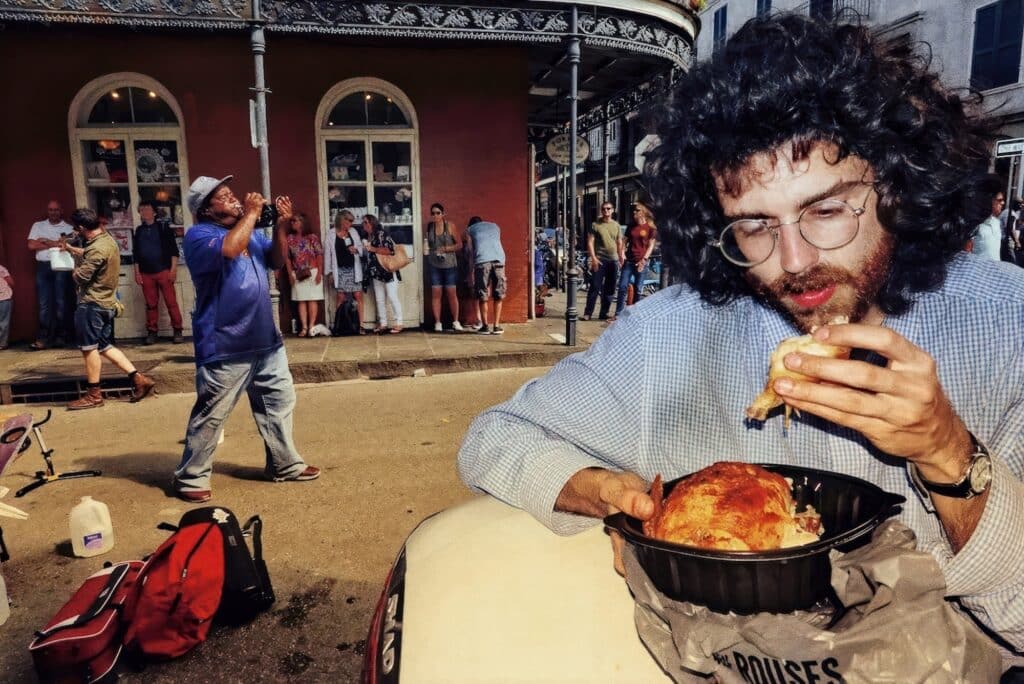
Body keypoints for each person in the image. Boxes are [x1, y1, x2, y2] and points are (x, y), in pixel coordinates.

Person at [458, 14, 1024, 657]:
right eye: (755, 225)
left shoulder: (1009, 329)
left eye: (828, 210)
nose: (793, 260)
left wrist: (949, 455)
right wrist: (608, 495)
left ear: (894, 182)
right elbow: (494, 439)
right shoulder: (667, 337)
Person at [173, 175, 320, 503]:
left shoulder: (248, 233)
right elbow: (229, 248)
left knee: (279, 404)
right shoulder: (200, 235)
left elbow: (277, 261)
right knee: (212, 413)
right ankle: (190, 477)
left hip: (264, 338)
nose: (235, 199)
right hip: (226, 342)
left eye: (231, 194)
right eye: (224, 197)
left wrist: (281, 226)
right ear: (207, 210)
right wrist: (253, 214)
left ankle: (284, 464)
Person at [60, 208, 155, 410]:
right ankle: (139, 379)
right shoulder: (106, 240)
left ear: (82, 228)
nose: (75, 231)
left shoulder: (96, 249)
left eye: (76, 228)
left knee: (89, 349)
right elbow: (90, 253)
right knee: (104, 346)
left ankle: (94, 394)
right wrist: (71, 249)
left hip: (92, 304)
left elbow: (80, 276)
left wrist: (72, 265)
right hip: (106, 303)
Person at [132, 200, 184, 344]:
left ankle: (178, 330)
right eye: (142, 210)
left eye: (147, 209)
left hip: (164, 271)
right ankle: (152, 332)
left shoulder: (164, 228)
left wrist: (173, 270)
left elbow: (174, 251)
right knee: (150, 304)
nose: (145, 212)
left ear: (154, 212)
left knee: (171, 302)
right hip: (145, 273)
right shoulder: (139, 230)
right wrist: (137, 273)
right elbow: (135, 253)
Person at [26, 200, 74, 349]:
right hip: (43, 266)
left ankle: (61, 336)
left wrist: (45, 241)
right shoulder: (38, 225)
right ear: (47, 211)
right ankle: (43, 338)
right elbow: (31, 245)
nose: (53, 212)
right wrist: (55, 243)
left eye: (56, 210)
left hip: (61, 267)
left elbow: (66, 246)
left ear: (61, 211)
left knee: (61, 302)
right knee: (44, 304)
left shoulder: (68, 228)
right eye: (50, 210)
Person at [324, 209, 366, 334]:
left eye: (352, 221)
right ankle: (338, 326)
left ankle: (361, 325)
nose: (351, 224)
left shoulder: (353, 232)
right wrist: (329, 272)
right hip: (339, 270)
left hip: (353, 268)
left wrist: (357, 250)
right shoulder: (331, 234)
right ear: (342, 220)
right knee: (340, 297)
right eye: (349, 221)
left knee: (357, 295)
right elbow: (328, 254)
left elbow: (360, 247)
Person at [425, 203, 464, 332]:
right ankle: (438, 322)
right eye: (433, 213)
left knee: (451, 293)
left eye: (438, 213)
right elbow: (428, 245)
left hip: (449, 265)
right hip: (434, 264)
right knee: (436, 293)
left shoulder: (450, 226)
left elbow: (459, 245)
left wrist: (446, 249)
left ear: (443, 214)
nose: (435, 215)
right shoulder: (430, 227)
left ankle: (456, 321)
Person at [614, 202, 658, 316]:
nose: (634, 212)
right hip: (629, 261)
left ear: (643, 212)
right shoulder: (631, 226)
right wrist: (622, 253)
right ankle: (618, 313)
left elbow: (651, 245)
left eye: (637, 210)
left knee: (638, 289)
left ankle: (633, 313)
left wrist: (644, 260)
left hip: (641, 262)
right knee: (623, 286)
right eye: (634, 210)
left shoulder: (651, 228)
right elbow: (624, 241)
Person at [581, 201, 622, 321]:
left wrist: (620, 257)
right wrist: (593, 258)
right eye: (604, 209)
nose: (606, 211)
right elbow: (590, 242)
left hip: (613, 260)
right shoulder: (595, 225)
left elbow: (619, 242)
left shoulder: (616, 225)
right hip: (600, 260)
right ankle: (588, 313)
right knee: (595, 286)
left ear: (613, 210)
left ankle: (603, 313)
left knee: (610, 288)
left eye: (608, 209)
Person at [285, 212, 324, 337]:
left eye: (295, 221)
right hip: (298, 272)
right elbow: (287, 258)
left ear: (302, 222)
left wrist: (319, 272)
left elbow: (319, 254)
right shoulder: (290, 238)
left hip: (312, 271)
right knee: (300, 300)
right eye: (291, 221)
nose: (292, 223)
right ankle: (304, 327)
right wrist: (290, 273)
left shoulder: (312, 237)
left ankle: (311, 327)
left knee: (312, 299)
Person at [363, 214, 404, 334]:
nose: (363, 225)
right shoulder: (367, 236)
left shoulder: (381, 234)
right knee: (380, 299)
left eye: (366, 222)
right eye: (363, 223)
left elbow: (389, 250)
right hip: (376, 272)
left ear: (372, 223)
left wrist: (373, 249)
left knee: (392, 296)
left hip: (388, 270)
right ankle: (383, 323)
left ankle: (399, 322)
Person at [465, 216, 506, 335]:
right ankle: (497, 326)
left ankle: (485, 326)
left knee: (483, 294)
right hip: (499, 260)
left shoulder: (470, 230)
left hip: (482, 261)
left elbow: (470, 250)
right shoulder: (495, 226)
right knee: (499, 294)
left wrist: (471, 271)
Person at [972, 176, 1004, 261]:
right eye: (999, 200)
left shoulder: (997, 222)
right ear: (989, 200)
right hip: (977, 272)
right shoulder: (974, 223)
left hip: (994, 271)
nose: (1003, 203)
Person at [0, 261, 13, 350]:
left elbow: (11, 282)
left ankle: (2, 343)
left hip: (4, 298)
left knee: (3, 322)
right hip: (4, 298)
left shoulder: (1, 268)